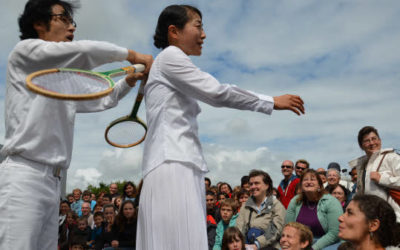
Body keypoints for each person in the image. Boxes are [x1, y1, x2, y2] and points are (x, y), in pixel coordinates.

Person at [136, 4, 304, 250]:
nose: (203, 35)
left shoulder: (166, 63)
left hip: (179, 161)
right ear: (174, 31)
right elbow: (217, 92)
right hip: (172, 163)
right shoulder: (171, 57)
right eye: (198, 26)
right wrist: (270, 101)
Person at [0, 1, 152, 249]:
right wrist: (134, 56)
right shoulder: (24, 51)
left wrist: (128, 81)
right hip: (23, 177)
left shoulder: (64, 79)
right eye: (64, 19)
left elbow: (102, 97)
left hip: (53, 184)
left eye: (73, 21)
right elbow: (86, 51)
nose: (72, 27)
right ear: (39, 23)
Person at [349, 126, 400, 222]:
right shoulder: (361, 165)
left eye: (374, 139)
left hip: (394, 219)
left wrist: (382, 179)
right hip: (370, 220)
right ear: (361, 145)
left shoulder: (392, 157)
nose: (372, 143)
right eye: (367, 141)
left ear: (380, 140)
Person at [285, 169, 343, 250]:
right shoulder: (295, 201)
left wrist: (314, 248)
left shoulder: (331, 202)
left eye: (312, 179)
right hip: (300, 242)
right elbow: (288, 227)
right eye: (305, 180)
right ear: (301, 185)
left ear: (319, 185)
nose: (308, 182)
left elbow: (335, 232)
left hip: (327, 243)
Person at [236, 170, 286, 249]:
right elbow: (239, 228)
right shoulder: (245, 206)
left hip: (270, 247)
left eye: (256, 183)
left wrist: (257, 245)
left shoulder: (277, 205)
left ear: (267, 185)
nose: (253, 187)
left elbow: (275, 229)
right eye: (251, 184)